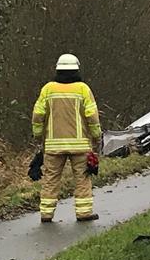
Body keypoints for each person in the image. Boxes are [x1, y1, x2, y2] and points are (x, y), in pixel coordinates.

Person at [31, 54, 102, 223]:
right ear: (76, 69)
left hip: (53, 146)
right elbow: (92, 116)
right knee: (82, 179)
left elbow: (37, 115)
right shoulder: (83, 89)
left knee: (50, 179)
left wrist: (38, 135)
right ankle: (84, 213)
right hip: (80, 145)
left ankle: (46, 214)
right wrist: (96, 136)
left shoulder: (48, 89)